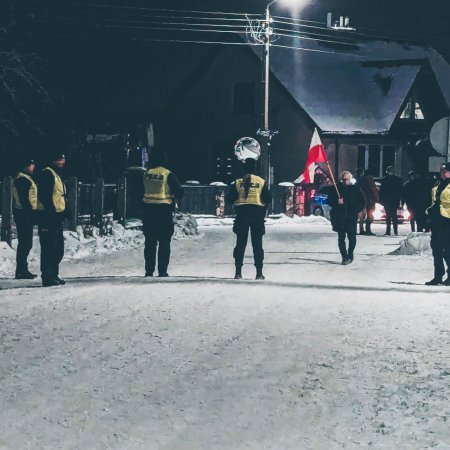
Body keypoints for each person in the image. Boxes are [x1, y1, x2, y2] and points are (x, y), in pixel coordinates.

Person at [226, 158, 272, 280]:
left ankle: (238, 272)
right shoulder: (261, 182)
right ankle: (259, 273)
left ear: (244, 168)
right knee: (257, 245)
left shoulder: (237, 182)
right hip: (257, 215)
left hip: (241, 215)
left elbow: (230, 198)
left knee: (240, 244)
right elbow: (268, 198)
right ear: (255, 169)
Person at [142, 151, 184, 277]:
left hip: (148, 211)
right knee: (164, 243)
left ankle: (149, 271)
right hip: (164, 212)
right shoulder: (167, 174)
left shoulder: (146, 174)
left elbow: (140, 190)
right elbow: (179, 192)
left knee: (150, 243)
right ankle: (162, 271)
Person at [37, 153, 67, 287]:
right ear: (55, 161)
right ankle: (48, 276)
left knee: (58, 247)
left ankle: (54, 274)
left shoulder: (56, 174)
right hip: (48, 217)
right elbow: (45, 196)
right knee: (49, 246)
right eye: (61, 160)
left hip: (56, 217)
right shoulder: (47, 174)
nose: (63, 162)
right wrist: (51, 212)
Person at [327, 171, 365, 265]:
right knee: (341, 238)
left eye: (347, 179)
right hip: (340, 217)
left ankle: (350, 254)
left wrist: (356, 210)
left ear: (350, 179)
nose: (344, 181)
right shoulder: (336, 189)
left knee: (352, 238)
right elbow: (329, 201)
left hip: (351, 217)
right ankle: (344, 257)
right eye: (343, 179)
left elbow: (363, 201)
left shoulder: (355, 189)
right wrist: (337, 201)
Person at [12, 158, 38, 279]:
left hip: (23, 213)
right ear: (25, 167)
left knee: (26, 242)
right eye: (31, 165)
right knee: (25, 243)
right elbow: (24, 199)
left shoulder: (24, 178)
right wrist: (30, 214)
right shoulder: (22, 179)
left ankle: (22, 270)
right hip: (24, 214)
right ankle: (21, 271)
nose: (33, 167)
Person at [425, 163, 450, 286]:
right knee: (437, 250)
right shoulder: (438, 185)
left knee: (448, 251)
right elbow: (434, 201)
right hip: (436, 221)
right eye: (441, 171)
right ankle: (438, 276)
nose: (442, 173)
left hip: (448, 221)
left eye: (445, 171)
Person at [355, 168, 379, 236]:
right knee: (369, 215)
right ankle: (367, 230)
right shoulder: (368, 180)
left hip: (362, 200)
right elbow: (373, 190)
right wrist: (376, 198)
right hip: (369, 200)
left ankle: (361, 230)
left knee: (362, 216)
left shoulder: (358, 180)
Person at [379, 166, 402, 236]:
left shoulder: (385, 180)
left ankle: (388, 230)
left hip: (387, 200)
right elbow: (400, 191)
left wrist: (381, 200)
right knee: (393, 216)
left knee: (388, 216)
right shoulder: (397, 179)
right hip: (394, 200)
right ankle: (395, 230)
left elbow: (382, 191)